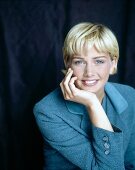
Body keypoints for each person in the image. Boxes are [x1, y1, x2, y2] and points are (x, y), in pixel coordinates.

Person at [33, 22, 135, 170]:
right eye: (79, 61)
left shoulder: (129, 96)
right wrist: (93, 103)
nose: (89, 72)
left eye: (99, 61)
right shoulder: (47, 111)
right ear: (68, 64)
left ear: (113, 63)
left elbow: (131, 162)